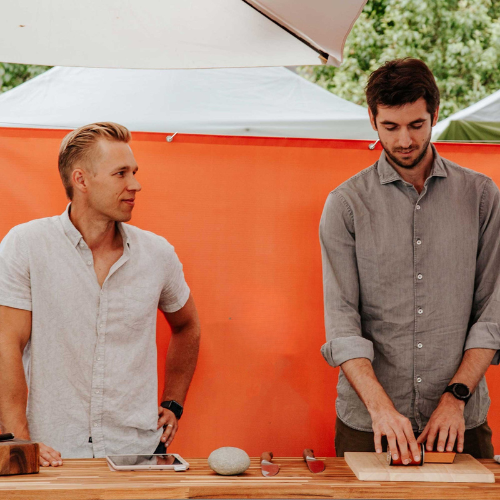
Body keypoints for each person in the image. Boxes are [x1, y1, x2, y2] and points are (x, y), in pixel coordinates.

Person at [319, 59, 500, 463]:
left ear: (435, 114)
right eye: (390, 126)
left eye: (416, 125)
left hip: (460, 421)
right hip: (369, 424)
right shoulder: (345, 206)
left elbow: (493, 314)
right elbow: (342, 322)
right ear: (372, 119)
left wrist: (455, 398)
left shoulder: (482, 198)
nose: (404, 140)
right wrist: (380, 408)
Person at [0, 122, 200, 467]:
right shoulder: (27, 245)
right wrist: (20, 441)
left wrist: (173, 402)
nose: (135, 184)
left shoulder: (158, 254)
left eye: (134, 172)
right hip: (54, 454)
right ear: (81, 180)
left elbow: (187, 326)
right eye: (121, 173)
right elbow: (6, 343)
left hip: (136, 452)